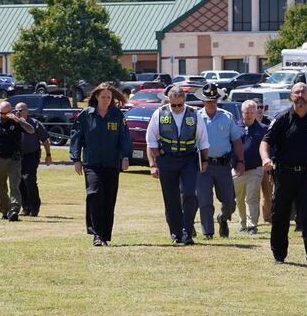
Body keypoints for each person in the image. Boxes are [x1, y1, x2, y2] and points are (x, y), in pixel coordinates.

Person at [260, 82, 307, 271]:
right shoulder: (282, 119)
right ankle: (279, 253)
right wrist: (266, 159)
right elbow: (265, 142)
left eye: (304, 92)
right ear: (291, 97)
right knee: (280, 215)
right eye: (297, 92)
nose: (301, 95)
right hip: (284, 174)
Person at [69, 83, 132, 246]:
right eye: (103, 97)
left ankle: (104, 235)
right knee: (94, 194)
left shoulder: (117, 115)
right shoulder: (86, 115)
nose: (106, 100)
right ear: (96, 97)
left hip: (112, 163)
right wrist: (76, 159)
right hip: (92, 163)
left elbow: (124, 137)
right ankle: (96, 234)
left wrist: (125, 157)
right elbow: (77, 136)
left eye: (108, 97)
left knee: (108, 199)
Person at [146, 85, 209, 245]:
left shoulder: (194, 114)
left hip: (188, 159)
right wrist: (153, 163)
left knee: (189, 193)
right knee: (171, 198)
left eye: (179, 105)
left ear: (184, 101)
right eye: (173, 105)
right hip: (166, 159)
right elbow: (151, 139)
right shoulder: (159, 114)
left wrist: (205, 160)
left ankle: (187, 230)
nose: (176, 108)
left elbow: (203, 140)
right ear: (168, 102)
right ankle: (176, 233)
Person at [195, 83, 245, 239]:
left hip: (223, 165)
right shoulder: (196, 117)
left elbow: (236, 140)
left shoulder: (227, 116)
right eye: (208, 101)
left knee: (229, 200)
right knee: (205, 200)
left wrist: (240, 161)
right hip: (203, 165)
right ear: (203, 101)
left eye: (214, 100)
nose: (211, 104)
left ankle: (223, 218)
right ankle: (208, 232)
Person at [0, 101, 35, 222]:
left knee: (14, 185)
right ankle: (5, 210)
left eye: (7, 113)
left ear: (11, 111)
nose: (4, 115)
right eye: (2, 113)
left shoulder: (17, 121)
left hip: (14, 160)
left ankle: (14, 210)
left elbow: (31, 130)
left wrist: (18, 120)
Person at [233, 100, 268, 234]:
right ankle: (243, 224)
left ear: (256, 113)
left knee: (252, 197)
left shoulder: (263, 129)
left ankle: (252, 225)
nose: (248, 115)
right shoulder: (235, 127)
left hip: (255, 168)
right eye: (246, 112)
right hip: (237, 169)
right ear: (242, 112)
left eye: (251, 112)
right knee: (239, 198)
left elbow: (268, 147)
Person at [15, 102, 51, 217]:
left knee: (29, 179)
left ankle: (35, 207)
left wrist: (48, 154)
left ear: (27, 111)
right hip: (17, 156)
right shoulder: (13, 123)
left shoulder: (35, 124)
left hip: (31, 155)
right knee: (19, 182)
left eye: (20, 110)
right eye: (16, 110)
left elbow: (45, 140)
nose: (18, 112)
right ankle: (25, 208)